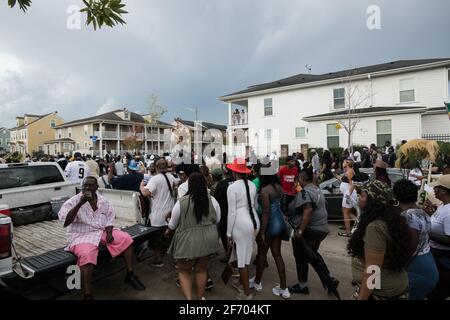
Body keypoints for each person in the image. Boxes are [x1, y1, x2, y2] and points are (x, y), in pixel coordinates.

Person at [58, 176, 146, 299]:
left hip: (100, 231)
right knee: (87, 254)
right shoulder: (73, 201)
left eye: (91, 185)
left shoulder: (103, 201)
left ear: (97, 187)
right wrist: (80, 204)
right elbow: (65, 222)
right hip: (81, 236)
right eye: (85, 185)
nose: (87, 188)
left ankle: (130, 275)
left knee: (126, 238)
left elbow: (109, 217)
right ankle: (87, 294)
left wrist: (109, 232)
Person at [349, 180, 410, 300]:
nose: (359, 198)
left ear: (372, 202)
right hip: (393, 286)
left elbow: (373, 269)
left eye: (362, 195)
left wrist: (362, 297)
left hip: (381, 292)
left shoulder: (375, 227)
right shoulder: (391, 219)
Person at [166, 173, 221, 300]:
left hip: (188, 243)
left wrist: (167, 232)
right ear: (205, 184)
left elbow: (173, 224)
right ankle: (200, 298)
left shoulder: (182, 202)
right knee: (201, 270)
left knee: (184, 271)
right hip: (208, 241)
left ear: (189, 185)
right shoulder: (212, 200)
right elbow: (217, 219)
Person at [287, 167, 337, 295]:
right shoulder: (316, 190)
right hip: (322, 229)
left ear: (302, 178)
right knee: (312, 254)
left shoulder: (306, 192)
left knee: (301, 256)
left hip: (311, 230)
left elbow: (308, 210)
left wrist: (300, 231)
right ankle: (329, 278)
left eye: (298, 178)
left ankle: (302, 286)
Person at [393, 179, 438, 300]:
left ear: (396, 196)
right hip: (426, 263)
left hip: (418, 269)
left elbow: (412, 245)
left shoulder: (409, 215)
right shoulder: (421, 213)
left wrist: (399, 267)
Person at [251, 171, 290, 299]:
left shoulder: (264, 190)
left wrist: (262, 232)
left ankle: (257, 282)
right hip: (280, 221)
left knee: (262, 254)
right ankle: (284, 288)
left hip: (271, 224)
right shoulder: (279, 187)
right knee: (277, 254)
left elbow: (266, 212)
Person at [226, 158, 260, 300]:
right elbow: (256, 206)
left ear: (234, 172)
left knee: (242, 261)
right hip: (254, 222)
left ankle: (246, 293)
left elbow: (232, 212)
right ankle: (242, 283)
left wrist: (228, 233)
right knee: (246, 256)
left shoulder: (232, 187)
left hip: (241, 223)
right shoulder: (252, 184)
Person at [140, 159, 177, 267]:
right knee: (169, 237)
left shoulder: (155, 179)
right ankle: (175, 261)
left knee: (156, 239)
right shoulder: (172, 177)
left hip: (157, 215)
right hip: (170, 214)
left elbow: (146, 193)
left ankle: (158, 260)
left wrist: (141, 186)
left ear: (156, 167)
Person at [427, 175, 450, 300]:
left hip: (443, 261)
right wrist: (429, 214)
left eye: (436, 187)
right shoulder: (443, 206)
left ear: (444, 190)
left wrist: (427, 231)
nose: (434, 190)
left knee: (438, 292)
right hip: (436, 256)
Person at [212, 167, 235, 262]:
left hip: (225, 213)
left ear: (225, 172)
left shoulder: (222, 184)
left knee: (225, 234)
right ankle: (235, 254)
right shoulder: (239, 182)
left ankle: (228, 254)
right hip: (238, 212)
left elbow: (216, 199)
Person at [338, 159, 358, 237]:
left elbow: (352, 183)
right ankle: (357, 224)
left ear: (347, 163)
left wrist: (348, 194)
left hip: (349, 194)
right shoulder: (349, 171)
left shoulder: (350, 172)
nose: (342, 163)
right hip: (348, 193)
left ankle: (348, 232)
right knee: (348, 212)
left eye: (344, 162)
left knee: (346, 212)